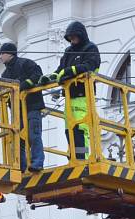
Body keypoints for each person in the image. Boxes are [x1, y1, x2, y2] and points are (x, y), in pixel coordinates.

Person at [39, 21, 100, 160]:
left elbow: (90, 66)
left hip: (83, 95)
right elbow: (60, 70)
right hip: (69, 96)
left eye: (74, 37)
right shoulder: (69, 51)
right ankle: (73, 156)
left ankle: (81, 157)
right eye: (70, 38)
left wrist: (70, 71)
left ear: (81, 35)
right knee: (69, 130)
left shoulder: (90, 48)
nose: (72, 40)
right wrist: (49, 78)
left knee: (80, 129)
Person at [0, 42, 45, 172]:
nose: (0, 57)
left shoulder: (26, 64)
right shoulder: (5, 74)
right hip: (17, 111)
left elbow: (37, 76)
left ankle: (37, 163)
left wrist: (21, 86)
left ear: (10, 54)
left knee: (33, 136)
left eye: (2, 54)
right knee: (18, 139)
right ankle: (21, 167)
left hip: (32, 107)